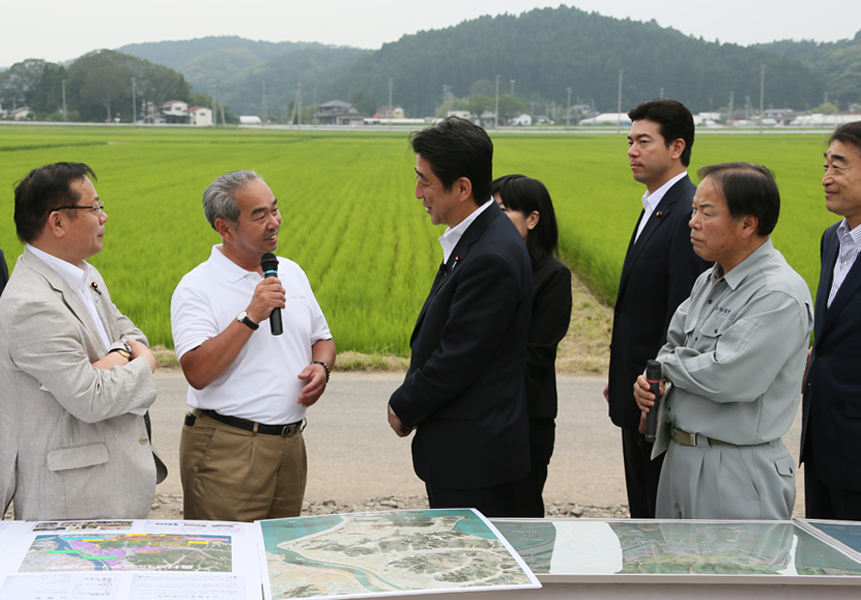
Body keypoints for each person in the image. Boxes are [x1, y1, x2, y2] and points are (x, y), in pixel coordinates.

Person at [634, 162, 813, 520]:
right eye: (694, 209)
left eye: (707, 212)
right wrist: (653, 384)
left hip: (735, 468)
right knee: (675, 571)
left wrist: (667, 368)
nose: (692, 221)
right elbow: (670, 347)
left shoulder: (778, 294)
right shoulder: (708, 281)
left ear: (748, 224)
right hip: (680, 455)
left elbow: (729, 375)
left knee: (731, 575)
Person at [0, 162, 164, 521]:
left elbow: (129, 330)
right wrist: (142, 362)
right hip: (76, 500)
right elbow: (90, 397)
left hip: (115, 482)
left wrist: (115, 356)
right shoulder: (30, 303)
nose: (104, 217)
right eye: (94, 207)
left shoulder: (85, 273)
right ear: (57, 222)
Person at [387, 117, 533, 518]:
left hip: (475, 460)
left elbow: (459, 357)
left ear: (463, 187)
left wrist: (403, 405)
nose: (418, 193)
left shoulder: (490, 255)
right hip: (470, 453)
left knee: (477, 568)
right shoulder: (479, 237)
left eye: (425, 181)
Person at [171, 170, 335, 522]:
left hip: (291, 445)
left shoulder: (290, 271)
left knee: (278, 557)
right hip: (228, 448)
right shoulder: (196, 287)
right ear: (225, 228)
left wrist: (321, 368)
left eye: (274, 210)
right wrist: (251, 315)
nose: (274, 222)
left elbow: (322, 339)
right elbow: (197, 372)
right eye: (259, 216)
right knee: (225, 561)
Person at [604, 98, 710, 518]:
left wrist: (653, 379)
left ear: (676, 147)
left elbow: (682, 313)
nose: (632, 150)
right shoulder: (655, 206)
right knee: (642, 510)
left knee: (656, 516)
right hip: (637, 387)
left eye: (643, 141)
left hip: (657, 395)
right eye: (630, 141)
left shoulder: (687, 211)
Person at [491, 174, 572, 518]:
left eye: (503, 211)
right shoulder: (492, 266)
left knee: (520, 514)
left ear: (533, 219)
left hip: (525, 418)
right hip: (486, 417)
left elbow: (535, 356)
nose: (494, 221)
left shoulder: (552, 276)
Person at [801, 121, 861, 520]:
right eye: (826, 166)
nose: (826, 178)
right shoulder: (832, 238)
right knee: (820, 566)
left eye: (838, 166)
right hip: (821, 435)